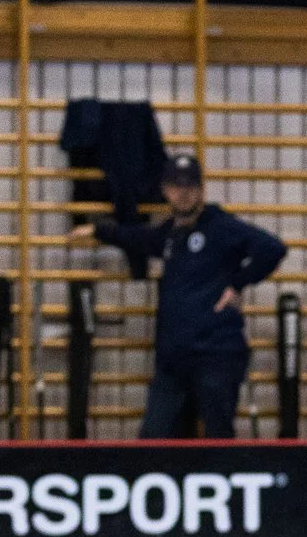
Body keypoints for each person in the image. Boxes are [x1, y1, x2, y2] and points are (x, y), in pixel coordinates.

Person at [71, 153, 286, 438]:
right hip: (173, 359)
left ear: (201, 189)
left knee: (218, 437)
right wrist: (100, 230)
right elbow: (138, 237)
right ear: (165, 190)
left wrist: (237, 284)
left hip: (215, 355)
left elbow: (273, 249)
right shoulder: (170, 234)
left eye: (190, 186)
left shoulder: (221, 226)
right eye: (176, 186)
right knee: (154, 438)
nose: (183, 193)